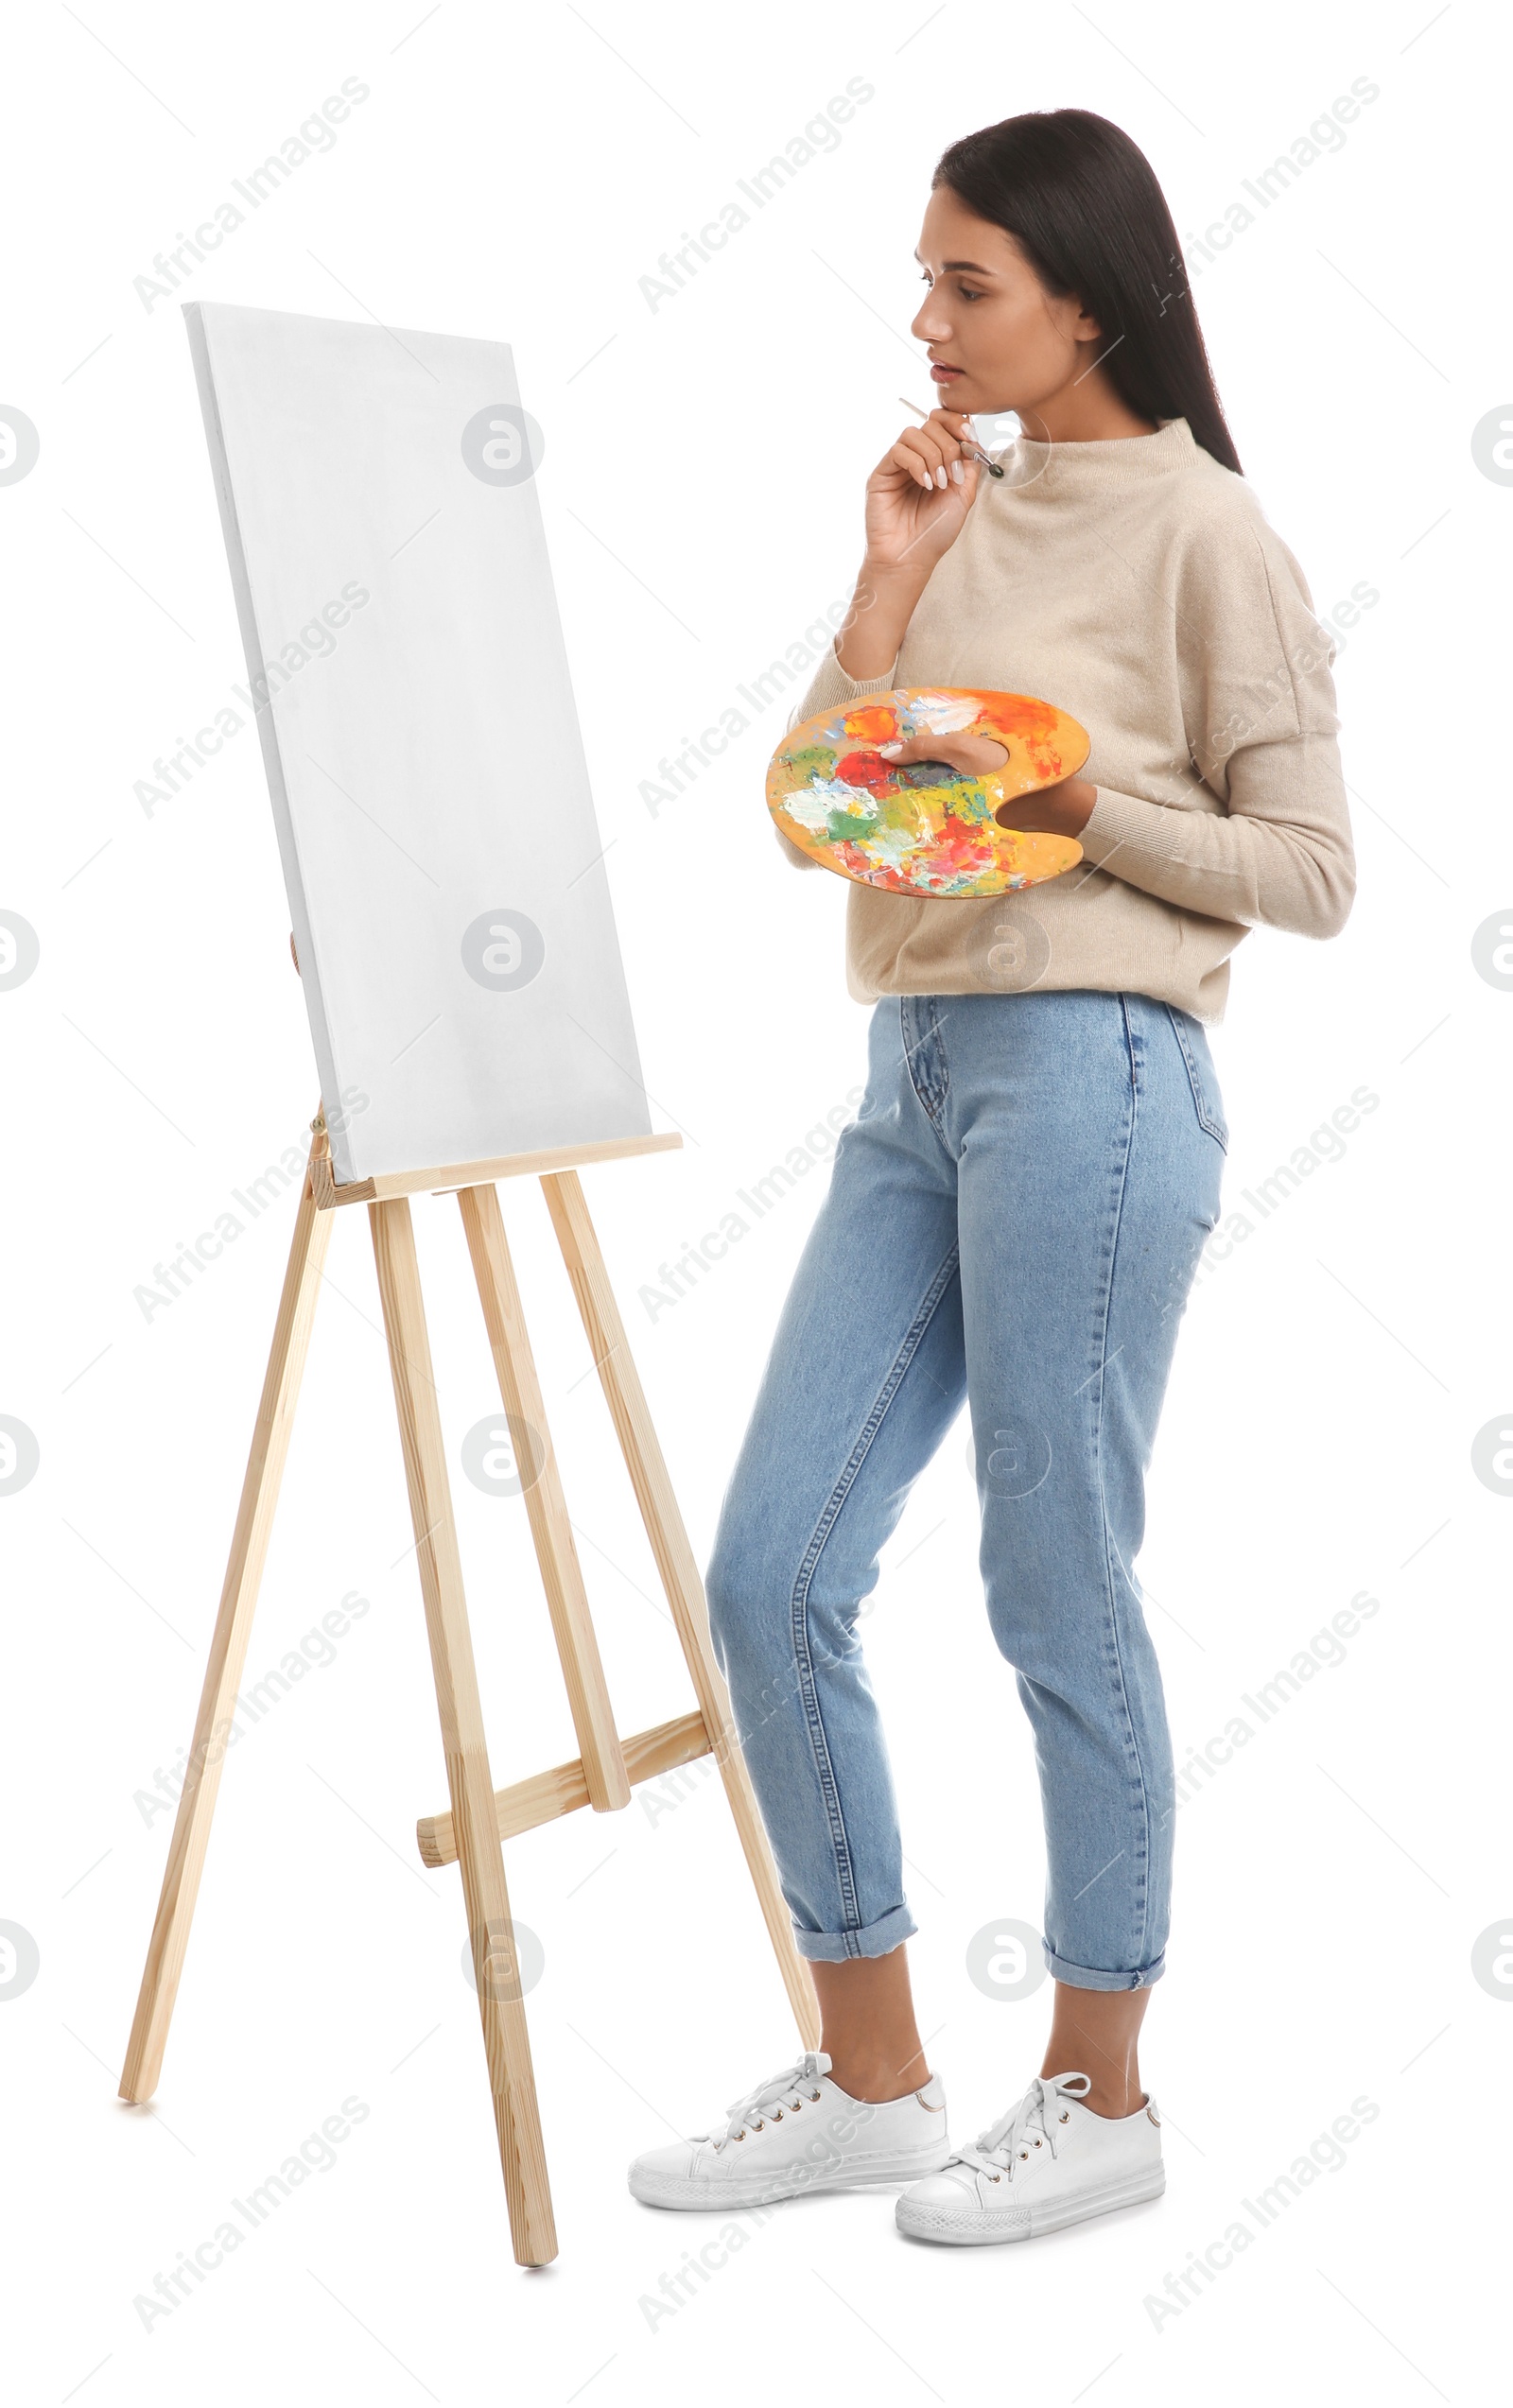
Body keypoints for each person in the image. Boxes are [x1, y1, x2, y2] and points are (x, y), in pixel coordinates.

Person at [628, 107, 1353, 2246]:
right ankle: (869, 2072)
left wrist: (1071, 802)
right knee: (771, 1565)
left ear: (1083, 294)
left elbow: (1307, 874)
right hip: (910, 1072)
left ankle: (1098, 2091)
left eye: (967, 283)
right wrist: (883, 580)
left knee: (1050, 1578)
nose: (924, 321)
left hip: (1097, 1071)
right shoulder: (954, 512)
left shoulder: (1209, 535)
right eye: (921, 279)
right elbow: (811, 815)